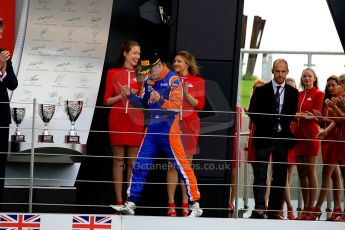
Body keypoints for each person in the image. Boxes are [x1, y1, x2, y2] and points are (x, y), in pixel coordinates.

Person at [111, 51, 203, 217]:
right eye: (146, 72)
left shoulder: (174, 80)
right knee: (140, 164)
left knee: (182, 166)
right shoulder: (149, 80)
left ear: (160, 65)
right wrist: (130, 95)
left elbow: (176, 107)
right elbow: (142, 103)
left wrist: (160, 99)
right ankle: (131, 203)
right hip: (152, 130)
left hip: (169, 130)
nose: (148, 74)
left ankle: (195, 205)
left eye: (151, 70)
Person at [248, 59, 298, 219]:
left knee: (280, 175)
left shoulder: (292, 92)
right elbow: (253, 112)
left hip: (283, 138)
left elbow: (290, 115)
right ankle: (260, 208)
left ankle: (274, 211)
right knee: (260, 174)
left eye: (283, 71)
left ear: (287, 72)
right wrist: (267, 127)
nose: (280, 74)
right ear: (272, 71)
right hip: (264, 136)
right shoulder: (261, 90)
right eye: (277, 71)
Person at [103, 40, 144, 206]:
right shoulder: (113, 73)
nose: (137, 56)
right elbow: (106, 101)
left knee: (132, 162)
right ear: (125, 54)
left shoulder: (141, 75)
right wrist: (120, 96)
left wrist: (134, 95)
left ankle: (130, 201)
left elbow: (145, 102)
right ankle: (119, 201)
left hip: (136, 120)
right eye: (134, 53)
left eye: (139, 54)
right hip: (118, 118)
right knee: (118, 161)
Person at [166, 51, 205, 217]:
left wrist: (186, 93)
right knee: (172, 164)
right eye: (174, 61)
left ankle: (185, 204)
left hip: (190, 125)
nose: (176, 64)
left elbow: (200, 105)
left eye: (179, 61)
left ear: (187, 64)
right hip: (173, 124)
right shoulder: (168, 80)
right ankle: (171, 205)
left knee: (186, 166)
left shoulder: (197, 81)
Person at [308, 75, 343, 221]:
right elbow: (328, 122)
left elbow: (338, 120)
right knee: (335, 177)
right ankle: (337, 209)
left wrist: (324, 119)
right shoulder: (327, 102)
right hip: (327, 140)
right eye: (328, 86)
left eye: (333, 85)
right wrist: (317, 118)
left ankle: (317, 208)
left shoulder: (339, 101)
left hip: (336, 141)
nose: (331, 88)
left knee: (326, 175)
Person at [292, 68, 324, 220]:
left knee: (310, 171)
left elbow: (316, 115)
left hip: (311, 136)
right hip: (297, 136)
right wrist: (301, 115)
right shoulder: (298, 94)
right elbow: (293, 114)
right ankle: (305, 208)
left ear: (314, 78)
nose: (306, 78)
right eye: (304, 76)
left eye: (309, 76)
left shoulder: (319, 94)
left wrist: (303, 116)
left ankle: (312, 208)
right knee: (301, 173)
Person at [0, 18, 18, 205]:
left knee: (0, 163)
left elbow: (13, 83)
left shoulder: (3, 55)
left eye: (1, 33)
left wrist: (3, 70)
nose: (1, 36)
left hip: (1, 117)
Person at [282, 77, 297, 219]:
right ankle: (288, 207)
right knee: (282, 176)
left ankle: (284, 206)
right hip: (281, 140)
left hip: (292, 141)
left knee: (287, 177)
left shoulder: (296, 101)